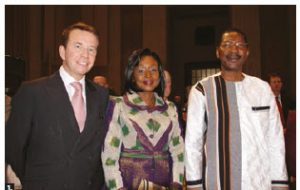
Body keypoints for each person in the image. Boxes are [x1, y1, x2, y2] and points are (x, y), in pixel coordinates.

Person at [5, 22, 109, 190]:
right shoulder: (32, 92)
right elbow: (12, 146)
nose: (85, 55)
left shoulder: (101, 96)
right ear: (62, 51)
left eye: (92, 49)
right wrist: (36, 179)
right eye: (78, 46)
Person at [185, 28, 288, 190]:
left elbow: (275, 140)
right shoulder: (202, 90)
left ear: (247, 52)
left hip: (259, 181)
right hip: (218, 182)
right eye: (227, 44)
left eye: (240, 45)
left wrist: (280, 182)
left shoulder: (262, 89)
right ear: (218, 52)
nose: (234, 49)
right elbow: (193, 144)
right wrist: (194, 185)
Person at [102, 48, 184, 190]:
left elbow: (178, 151)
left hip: (163, 185)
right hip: (127, 184)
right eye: (141, 71)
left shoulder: (170, 109)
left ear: (160, 75)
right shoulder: (119, 106)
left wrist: (177, 183)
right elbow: (109, 155)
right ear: (132, 75)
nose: (148, 75)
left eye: (153, 70)